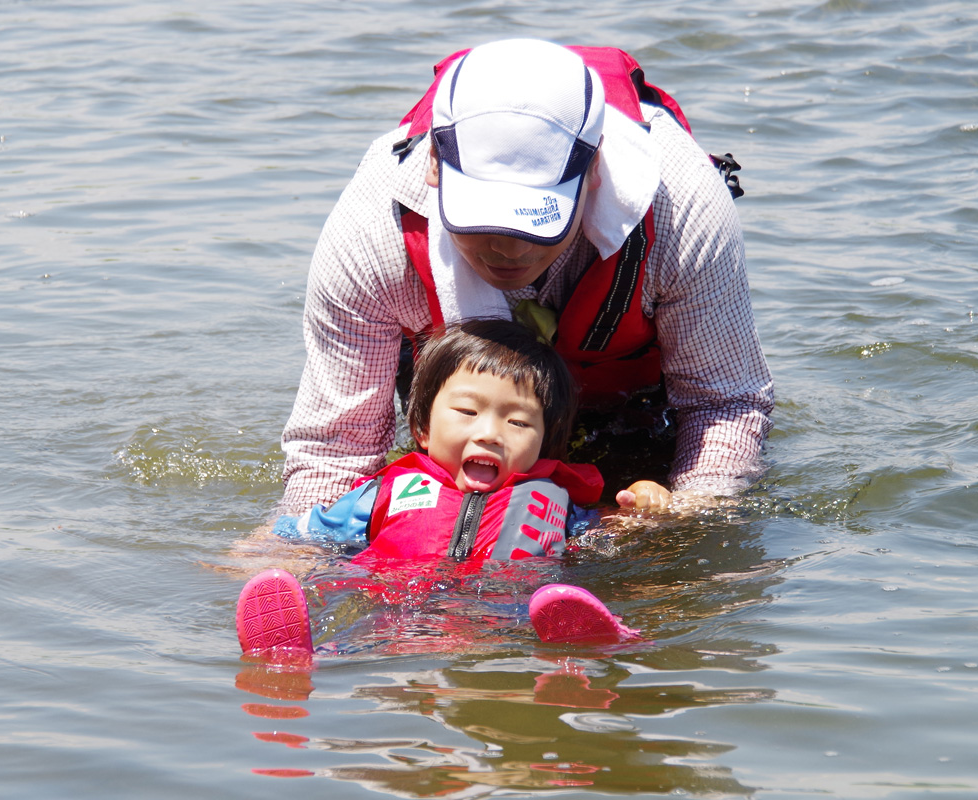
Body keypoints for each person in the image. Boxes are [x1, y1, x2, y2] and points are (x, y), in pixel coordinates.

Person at [278, 38, 774, 518]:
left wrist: (683, 523)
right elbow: (337, 449)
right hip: (464, 393)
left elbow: (724, 402)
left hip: (632, 399)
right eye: (484, 220)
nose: (509, 250)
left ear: (594, 167)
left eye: (538, 221)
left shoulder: (681, 210)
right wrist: (301, 545)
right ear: (434, 162)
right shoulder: (372, 234)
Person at [237, 320, 650, 652]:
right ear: (422, 428)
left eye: (518, 422)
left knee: (546, 603)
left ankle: (580, 638)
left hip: (509, 615)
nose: (490, 433)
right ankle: (298, 651)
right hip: (394, 608)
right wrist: (258, 549)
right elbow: (313, 532)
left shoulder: (555, 504)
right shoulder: (386, 491)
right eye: (467, 411)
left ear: (545, 441)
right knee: (351, 617)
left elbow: (604, 539)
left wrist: (643, 512)